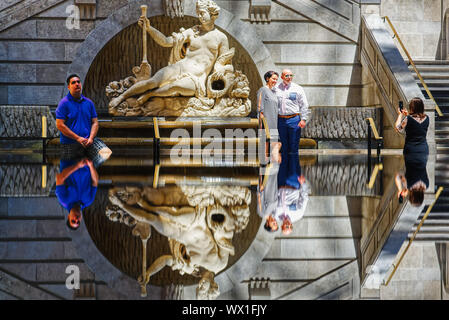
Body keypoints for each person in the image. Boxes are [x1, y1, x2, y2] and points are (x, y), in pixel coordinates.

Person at [109, 0, 232, 109]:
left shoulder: (221, 38)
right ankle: (121, 97)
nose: (200, 17)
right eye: (198, 13)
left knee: (176, 86)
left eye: (203, 13)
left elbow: (226, 64)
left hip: (197, 77)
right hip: (180, 67)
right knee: (151, 82)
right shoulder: (192, 32)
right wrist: (149, 28)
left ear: (213, 14)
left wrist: (221, 69)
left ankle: (150, 94)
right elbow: (166, 41)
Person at [56, 74, 111, 163]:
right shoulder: (63, 103)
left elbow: (95, 123)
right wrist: (78, 138)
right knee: (75, 164)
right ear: (68, 87)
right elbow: (60, 125)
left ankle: (91, 168)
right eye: (73, 82)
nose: (77, 84)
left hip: (89, 141)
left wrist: (91, 138)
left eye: (78, 82)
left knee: (106, 153)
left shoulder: (89, 103)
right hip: (70, 143)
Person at [395, 97, 429, 207]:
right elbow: (400, 178)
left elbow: (398, 128)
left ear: (412, 107)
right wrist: (403, 188)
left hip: (410, 150)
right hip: (423, 149)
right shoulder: (427, 118)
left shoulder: (408, 119)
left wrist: (400, 114)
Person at [56, 157, 98, 230]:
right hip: (88, 159)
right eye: (78, 222)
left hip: (70, 156)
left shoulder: (64, 200)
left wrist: (78, 166)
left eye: (73, 221)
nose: (76, 219)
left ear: (69, 216)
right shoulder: (88, 201)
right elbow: (95, 181)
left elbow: (59, 178)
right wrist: (91, 166)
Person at [276, 69, 310, 158]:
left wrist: (303, 119)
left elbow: (304, 104)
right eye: (287, 75)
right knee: (284, 144)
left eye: (291, 75)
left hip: (294, 119)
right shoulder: (276, 89)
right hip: (281, 120)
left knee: (294, 144)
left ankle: (294, 170)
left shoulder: (298, 88)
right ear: (282, 77)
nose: (289, 77)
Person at [276, 153, 310, 235]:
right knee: (292, 156)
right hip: (293, 184)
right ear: (291, 225)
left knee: (283, 157)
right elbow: (304, 198)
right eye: (290, 227)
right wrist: (303, 184)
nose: (288, 225)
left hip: (281, 183)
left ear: (282, 226)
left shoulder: (276, 215)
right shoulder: (298, 215)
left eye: (286, 227)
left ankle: (283, 140)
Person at [258, 71, 281, 163]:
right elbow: (260, 107)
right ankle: (264, 167)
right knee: (266, 143)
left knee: (277, 143)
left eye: (276, 79)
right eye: (273, 79)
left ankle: (273, 165)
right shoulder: (263, 90)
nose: (275, 81)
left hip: (275, 121)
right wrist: (262, 123)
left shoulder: (274, 92)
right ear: (267, 79)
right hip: (266, 121)